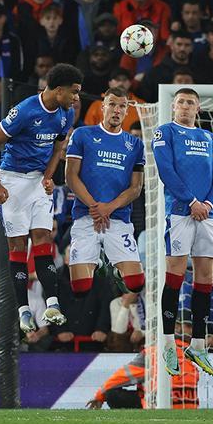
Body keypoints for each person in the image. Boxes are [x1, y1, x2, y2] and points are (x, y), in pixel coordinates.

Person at [0, 63, 82, 333]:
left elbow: (59, 144)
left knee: (42, 238)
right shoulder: (25, 110)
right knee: (18, 245)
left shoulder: (66, 114)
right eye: (73, 92)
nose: (76, 98)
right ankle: (23, 310)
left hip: (38, 178)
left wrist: (49, 175)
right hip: (12, 179)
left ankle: (52, 304)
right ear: (58, 89)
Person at [151, 87, 213, 377]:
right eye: (180, 102)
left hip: (206, 214)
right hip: (180, 212)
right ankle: (168, 342)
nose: (184, 106)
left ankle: (197, 344)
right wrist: (192, 201)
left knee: (206, 277)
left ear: (198, 108)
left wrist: (208, 202)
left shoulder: (209, 137)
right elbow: (165, 170)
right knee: (176, 273)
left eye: (190, 103)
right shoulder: (165, 132)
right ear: (173, 107)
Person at [65, 87, 145, 298]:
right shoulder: (83, 134)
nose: (117, 110)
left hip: (117, 219)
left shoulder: (135, 145)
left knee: (136, 284)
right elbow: (71, 176)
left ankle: (115, 266)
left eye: (122, 106)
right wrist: (95, 207)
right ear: (103, 107)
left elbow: (136, 188)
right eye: (112, 104)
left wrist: (108, 208)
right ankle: (99, 261)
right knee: (80, 288)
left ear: (127, 111)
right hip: (86, 216)